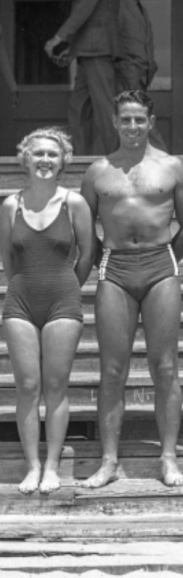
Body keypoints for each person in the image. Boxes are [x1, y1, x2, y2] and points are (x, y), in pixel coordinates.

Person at [79, 90, 183, 489]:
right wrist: (104, 263)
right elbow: (84, 228)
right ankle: (109, 460)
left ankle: (168, 458)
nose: (132, 127)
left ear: (151, 121)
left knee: (165, 367)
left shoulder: (173, 168)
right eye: (125, 120)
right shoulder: (98, 171)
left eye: (139, 120)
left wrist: (167, 259)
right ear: (114, 122)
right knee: (112, 370)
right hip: (115, 270)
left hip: (161, 267)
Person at [0, 128, 92, 494]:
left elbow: (87, 254)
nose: (45, 160)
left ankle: (52, 465)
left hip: (62, 301)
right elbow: (7, 258)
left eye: (52, 155)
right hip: (20, 301)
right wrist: (24, 283)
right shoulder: (10, 205)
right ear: (25, 158)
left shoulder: (75, 203)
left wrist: (67, 285)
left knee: (55, 385)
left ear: (63, 160)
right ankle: (32, 466)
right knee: (27, 386)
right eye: (37, 153)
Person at [44, 0, 121, 155]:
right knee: (78, 108)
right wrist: (74, 47)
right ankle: (79, 159)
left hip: (97, 51)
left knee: (105, 109)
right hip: (89, 51)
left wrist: (58, 38)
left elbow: (84, 10)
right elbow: (97, 17)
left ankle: (118, 161)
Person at [115, 0, 166, 151]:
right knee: (139, 116)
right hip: (127, 70)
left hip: (141, 73)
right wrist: (123, 66)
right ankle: (164, 157)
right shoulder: (119, 5)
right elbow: (114, 39)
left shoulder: (139, 7)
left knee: (135, 118)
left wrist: (150, 66)